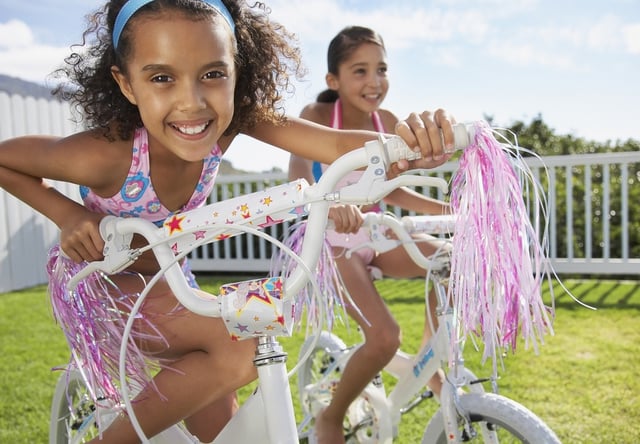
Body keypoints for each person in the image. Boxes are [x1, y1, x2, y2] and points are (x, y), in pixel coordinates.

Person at [0, 3, 456, 443]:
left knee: (225, 427)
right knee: (240, 348)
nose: (192, 102)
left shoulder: (231, 122)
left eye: (213, 74)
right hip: (105, 287)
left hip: (169, 281)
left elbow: (334, 144)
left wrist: (406, 144)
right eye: (162, 77)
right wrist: (69, 214)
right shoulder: (106, 154)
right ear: (126, 84)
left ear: (237, 70)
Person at [288, 26, 450, 444]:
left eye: (381, 69)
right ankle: (331, 416)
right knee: (384, 337)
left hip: (374, 234)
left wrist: (445, 210)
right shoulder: (318, 117)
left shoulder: (390, 123)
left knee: (449, 261)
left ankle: (428, 366)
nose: (374, 81)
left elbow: (391, 188)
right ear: (333, 81)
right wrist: (324, 204)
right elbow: (299, 180)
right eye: (359, 71)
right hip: (331, 243)